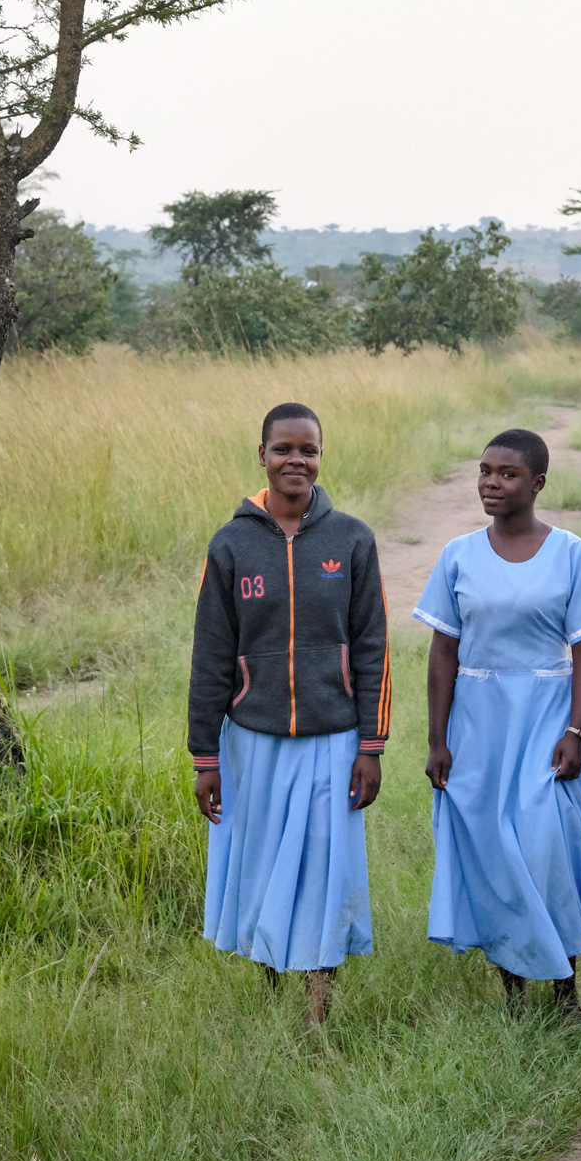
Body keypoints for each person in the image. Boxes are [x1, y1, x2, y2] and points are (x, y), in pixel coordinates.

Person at [188, 403, 390, 1029]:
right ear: (262, 455)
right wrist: (206, 758)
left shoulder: (352, 539)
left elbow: (373, 646)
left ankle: (317, 1012)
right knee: (263, 867)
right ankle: (275, 993)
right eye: (283, 449)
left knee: (326, 870)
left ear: (321, 456)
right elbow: (211, 656)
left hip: (333, 740)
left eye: (308, 449)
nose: (295, 460)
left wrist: (371, 745)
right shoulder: (231, 544)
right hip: (254, 740)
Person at [415, 428, 581, 1016]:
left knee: (546, 846)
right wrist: (437, 739)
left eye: (507, 473)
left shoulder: (571, 553)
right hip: (477, 724)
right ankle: (513, 993)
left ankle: (565, 991)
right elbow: (444, 652)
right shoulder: (459, 554)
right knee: (493, 853)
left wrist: (575, 732)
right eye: (485, 471)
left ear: (537, 484)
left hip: (546, 717)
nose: (491, 482)